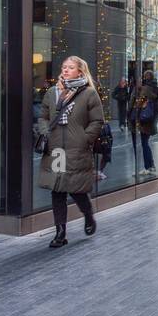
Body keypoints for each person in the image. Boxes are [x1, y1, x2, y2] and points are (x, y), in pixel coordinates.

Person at [35, 55, 104, 249]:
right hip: (56, 150)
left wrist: (84, 139)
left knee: (76, 189)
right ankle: (60, 233)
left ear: (80, 72)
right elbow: (43, 117)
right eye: (64, 67)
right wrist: (45, 132)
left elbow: (97, 121)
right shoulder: (52, 92)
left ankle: (88, 216)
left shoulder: (89, 93)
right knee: (58, 190)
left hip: (77, 149)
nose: (65, 70)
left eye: (70, 67)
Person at [131, 69, 158, 176]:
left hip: (141, 121)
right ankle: (151, 165)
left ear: (145, 78)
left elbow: (137, 105)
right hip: (149, 120)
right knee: (145, 143)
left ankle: (147, 167)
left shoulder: (144, 90)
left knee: (141, 144)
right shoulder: (156, 88)